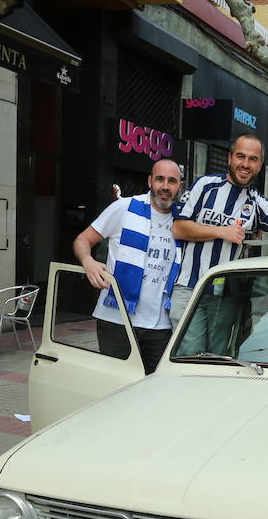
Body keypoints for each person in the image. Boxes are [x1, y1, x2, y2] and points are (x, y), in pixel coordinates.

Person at [171, 134, 268, 331]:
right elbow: (179, 228)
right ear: (230, 158)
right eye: (240, 156)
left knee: (217, 357)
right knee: (187, 352)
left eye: (252, 159)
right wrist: (221, 232)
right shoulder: (205, 185)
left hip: (225, 295)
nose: (245, 164)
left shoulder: (257, 203)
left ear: (260, 165)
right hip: (189, 288)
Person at [72, 159, 184, 374]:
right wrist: (88, 262)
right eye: (160, 179)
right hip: (117, 319)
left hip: (160, 325)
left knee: (155, 391)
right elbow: (82, 240)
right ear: (150, 181)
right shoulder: (124, 207)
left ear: (179, 186)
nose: (165, 186)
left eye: (172, 181)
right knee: (116, 388)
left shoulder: (184, 222)